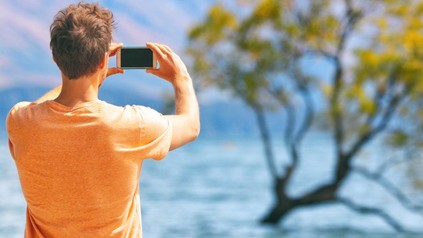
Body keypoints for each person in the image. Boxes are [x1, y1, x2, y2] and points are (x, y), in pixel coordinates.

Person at [6, 2, 200, 237]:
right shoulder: (130, 125)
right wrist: (182, 79)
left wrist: (86, 78)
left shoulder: (20, 121)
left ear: (56, 58)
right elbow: (190, 126)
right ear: (102, 61)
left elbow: (40, 107)